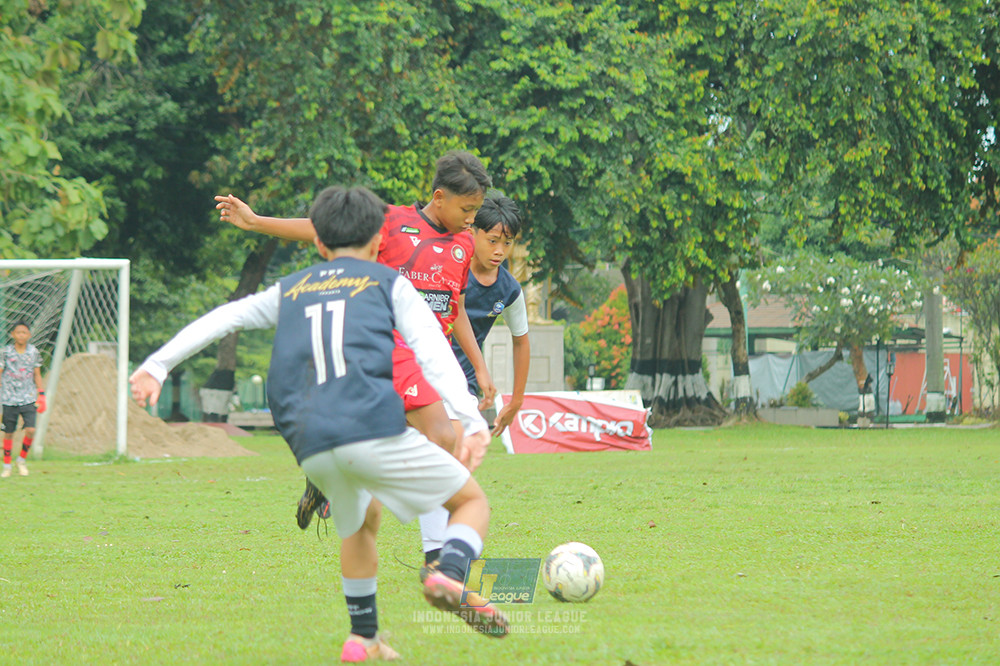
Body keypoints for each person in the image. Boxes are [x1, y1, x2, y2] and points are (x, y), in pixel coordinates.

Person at [130, 186, 510, 661]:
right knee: (471, 502)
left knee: (360, 525)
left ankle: (363, 636)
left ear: (319, 245)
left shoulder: (291, 288)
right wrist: (472, 420)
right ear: (378, 242)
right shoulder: (390, 284)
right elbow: (434, 357)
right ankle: (447, 574)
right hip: (372, 428)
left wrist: (156, 366)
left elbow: (224, 318)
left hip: (312, 443)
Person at [215, 151, 496, 525]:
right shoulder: (393, 221)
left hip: (428, 359)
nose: (472, 218)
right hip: (382, 350)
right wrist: (256, 222)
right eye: (467, 207)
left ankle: (332, 478)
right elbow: (322, 230)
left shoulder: (463, 245)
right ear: (440, 197)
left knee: (434, 442)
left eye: (477, 209)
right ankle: (437, 555)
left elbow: (455, 308)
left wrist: (480, 367)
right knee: (443, 438)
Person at [419, 192, 531, 566]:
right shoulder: (448, 263)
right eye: (492, 240)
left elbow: (521, 342)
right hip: (418, 368)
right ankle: (439, 552)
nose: (500, 250)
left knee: (447, 460)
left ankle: (438, 553)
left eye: (508, 242)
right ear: (473, 234)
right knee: (437, 457)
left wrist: (515, 400)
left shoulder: (509, 290)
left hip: (462, 383)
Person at [1, 321, 46, 478]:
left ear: (29, 335)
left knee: (31, 429)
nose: (21, 335)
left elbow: (37, 374)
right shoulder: (5, 352)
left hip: (28, 397)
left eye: (24, 332)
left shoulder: (33, 352)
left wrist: (41, 394)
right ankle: (7, 465)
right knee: (8, 432)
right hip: (9, 398)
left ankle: (21, 460)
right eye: (18, 332)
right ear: (12, 334)